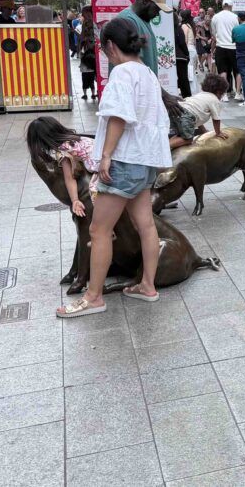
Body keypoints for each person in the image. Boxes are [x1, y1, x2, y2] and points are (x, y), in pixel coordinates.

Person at [56, 16, 172, 317]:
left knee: (98, 229)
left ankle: (93, 298)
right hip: (145, 160)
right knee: (145, 225)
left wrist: (106, 155)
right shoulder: (146, 72)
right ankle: (148, 286)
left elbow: (119, 117)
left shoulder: (121, 74)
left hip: (124, 160)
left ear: (109, 46)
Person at [26, 117, 100, 215]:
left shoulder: (64, 151)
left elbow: (70, 177)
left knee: (95, 195)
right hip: (109, 158)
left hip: (101, 167)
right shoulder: (75, 138)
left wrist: (75, 200)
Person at [116, 0, 172, 76]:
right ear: (145, 1)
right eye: (156, 9)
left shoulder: (143, 19)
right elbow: (132, 65)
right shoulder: (128, 20)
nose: (157, 14)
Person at [168, 74, 229, 148]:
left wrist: (204, 131)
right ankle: (165, 147)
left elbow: (198, 116)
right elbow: (216, 119)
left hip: (176, 110)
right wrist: (218, 133)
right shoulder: (214, 100)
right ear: (219, 92)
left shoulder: (200, 95)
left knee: (180, 135)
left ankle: (168, 144)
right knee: (188, 139)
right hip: (186, 115)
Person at [210, 0, 240, 101]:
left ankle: (224, 95)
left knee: (222, 70)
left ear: (222, 6)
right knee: (237, 70)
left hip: (221, 46)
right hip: (234, 47)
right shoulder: (235, 17)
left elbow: (214, 33)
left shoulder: (215, 17)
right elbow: (237, 31)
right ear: (231, 6)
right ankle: (238, 93)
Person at [174, 10, 192, 98]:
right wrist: (187, 54)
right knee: (183, 78)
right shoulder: (178, 29)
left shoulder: (168, 30)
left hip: (172, 57)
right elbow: (182, 43)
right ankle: (187, 96)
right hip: (180, 57)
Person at [78, 26, 97, 100]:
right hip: (91, 68)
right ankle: (92, 94)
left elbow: (80, 54)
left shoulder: (83, 46)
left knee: (85, 82)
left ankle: (85, 94)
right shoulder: (93, 44)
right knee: (91, 82)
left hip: (85, 69)